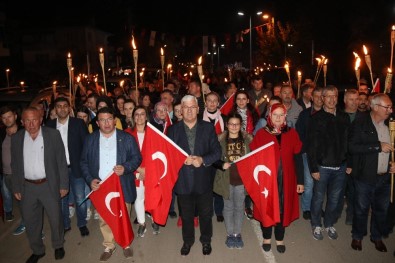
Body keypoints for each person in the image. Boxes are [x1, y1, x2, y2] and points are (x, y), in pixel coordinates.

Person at [80, 106, 142, 261]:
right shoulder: (90, 139)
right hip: (101, 186)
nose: (106, 123)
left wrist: (126, 168)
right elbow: (83, 162)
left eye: (109, 119)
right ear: (98, 122)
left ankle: (126, 243)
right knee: (104, 218)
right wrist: (89, 179)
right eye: (102, 120)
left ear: (114, 120)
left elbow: (137, 158)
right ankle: (109, 245)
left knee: (123, 216)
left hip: (121, 184)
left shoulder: (126, 138)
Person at [11, 107, 68, 262]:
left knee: (55, 218)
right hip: (27, 187)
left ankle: (58, 245)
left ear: (41, 120)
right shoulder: (17, 138)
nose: (31, 124)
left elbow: (61, 161)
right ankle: (38, 250)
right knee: (30, 221)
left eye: (34, 119)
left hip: (49, 185)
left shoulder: (52, 135)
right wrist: (16, 186)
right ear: (21, 122)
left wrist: (63, 184)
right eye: (27, 120)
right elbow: (15, 165)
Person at [167, 95, 221, 256]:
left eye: (192, 107)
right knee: (186, 215)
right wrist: (179, 160)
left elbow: (217, 152)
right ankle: (187, 241)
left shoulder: (208, 128)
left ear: (198, 109)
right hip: (183, 180)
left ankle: (206, 240)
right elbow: (168, 154)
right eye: (186, 107)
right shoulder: (173, 130)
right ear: (181, 110)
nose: (189, 110)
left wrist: (203, 159)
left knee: (205, 214)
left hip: (203, 180)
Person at [250, 103, 303, 253]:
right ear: (269, 116)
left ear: (285, 116)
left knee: (282, 209)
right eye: (275, 115)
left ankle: (279, 238)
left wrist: (300, 181)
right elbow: (254, 158)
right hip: (267, 181)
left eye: (281, 115)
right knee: (267, 208)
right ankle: (267, 237)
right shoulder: (261, 133)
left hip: (286, 180)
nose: (278, 118)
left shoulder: (292, 133)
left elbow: (297, 158)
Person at [349, 93, 394, 252]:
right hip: (365, 176)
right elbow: (352, 147)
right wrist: (377, 146)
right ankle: (357, 236)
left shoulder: (391, 124)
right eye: (387, 107)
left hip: (385, 177)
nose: (390, 110)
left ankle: (377, 237)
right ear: (375, 107)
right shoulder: (360, 123)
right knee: (361, 208)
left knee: (381, 209)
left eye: (390, 107)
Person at [307, 85, 351, 241]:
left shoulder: (344, 117)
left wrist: (349, 162)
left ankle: (329, 223)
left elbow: (348, 141)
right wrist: (313, 168)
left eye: (335, 96)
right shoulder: (315, 119)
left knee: (334, 198)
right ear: (322, 98)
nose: (332, 99)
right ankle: (316, 224)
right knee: (318, 197)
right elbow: (311, 146)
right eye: (328, 96)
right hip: (322, 167)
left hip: (341, 166)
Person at [46, 97, 90, 237]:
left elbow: (86, 145)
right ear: (55, 109)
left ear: (69, 108)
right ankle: (65, 224)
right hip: (58, 170)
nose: (62, 108)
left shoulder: (78, 123)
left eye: (65, 106)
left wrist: (85, 166)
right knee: (62, 199)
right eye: (59, 106)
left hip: (76, 167)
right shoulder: (49, 125)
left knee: (79, 198)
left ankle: (82, 223)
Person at [213, 113, 253, 249]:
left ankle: (237, 233)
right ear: (227, 125)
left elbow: (255, 157)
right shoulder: (220, 141)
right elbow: (213, 157)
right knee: (228, 207)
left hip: (242, 181)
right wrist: (221, 164)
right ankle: (230, 234)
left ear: (240, 126)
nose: (234, 126)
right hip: (227, 180)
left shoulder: (248, 141)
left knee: (239, 207)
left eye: (237, 124)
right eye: (231, 124)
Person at [295, 87, 323, 220]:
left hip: (323, 155)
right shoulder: (305, 114)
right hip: (307, 153)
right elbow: (299, 134)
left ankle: (317, 207)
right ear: (312, 98)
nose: (319, 99)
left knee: (321, 183)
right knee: (309, 181)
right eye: (316, 96)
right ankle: (306, 207)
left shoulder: (329, 114)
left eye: (321, 96)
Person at [125, 106, 153, 237]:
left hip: (152, 171)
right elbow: (124, 155)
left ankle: (155, 219)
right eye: (137, 114)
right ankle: (142, 223)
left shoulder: (154, 133)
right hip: (134, 171)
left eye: (142, 114)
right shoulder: (126, 134)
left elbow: (158, 154)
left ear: (146, 116)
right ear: (133, 117)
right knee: (139, 198)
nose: (140, 117)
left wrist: (147, 170)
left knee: (152, 197)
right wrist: (139, 170)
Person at [1, 105, 26, 235]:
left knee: (26, 201)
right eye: (4, 118)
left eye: (9, 116)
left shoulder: (24, 132)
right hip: (6, 175)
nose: (7, 120)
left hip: (21, 175)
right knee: (19, 201)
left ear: (15, 117)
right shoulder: (1, 134)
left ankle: (31, 226)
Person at [203, 91, 226, 222]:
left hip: (220, 155)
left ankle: (219, 210)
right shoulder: (199, 118)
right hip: (205, 155)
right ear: (205, 102)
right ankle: (207, 210)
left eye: (214, 101)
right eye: (209, 100)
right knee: (206, 185)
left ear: (218, 103)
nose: (211, 103)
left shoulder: (225, 118)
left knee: (218, 183)